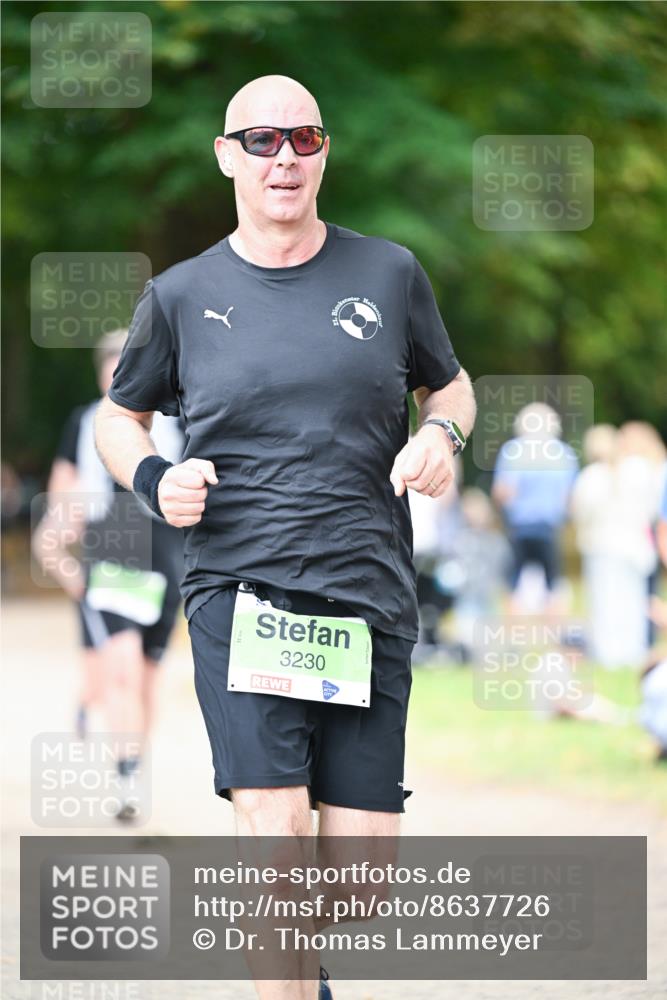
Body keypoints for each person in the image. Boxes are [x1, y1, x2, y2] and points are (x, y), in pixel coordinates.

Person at [94, 75, 476, 1000]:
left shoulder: (388, 272)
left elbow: (452, 387)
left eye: (302, 140)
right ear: (227, 156)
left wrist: (441, 435)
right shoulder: (181, 296)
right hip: (241, 589)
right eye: (261, 141)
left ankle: (309, 972)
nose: (283, 159)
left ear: (323, 153)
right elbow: (120, 418)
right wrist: (155, 478)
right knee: (274, 836)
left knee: (354, 884)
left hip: (367, 592)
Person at [32, 329, 185, 820]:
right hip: (112, 553)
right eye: (113, 364)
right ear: (102, 371)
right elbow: (62, 507)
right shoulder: (84, 424)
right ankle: (127, 780)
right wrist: (69, 569)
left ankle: (135, 763)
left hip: (168, 558)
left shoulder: (179, 422)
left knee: (145, 678)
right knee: (119, 669)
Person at [571, 423, 662, 667]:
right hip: (635, 547)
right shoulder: (639, 471)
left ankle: (609, 652)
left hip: (602, 546)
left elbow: (581, 513)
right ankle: (633, 651)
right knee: (632, 601)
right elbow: (653, 508)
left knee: (606, 600)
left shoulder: (591, 477)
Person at [492, 402, 578, 615]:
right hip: (550, 526)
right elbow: (570, 497)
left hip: (519, 526)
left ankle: (512, 639)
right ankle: (554, 636)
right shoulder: (564, 453)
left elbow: (503, 492)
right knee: (554, 584)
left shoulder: (513, 451)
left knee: (512, 584)